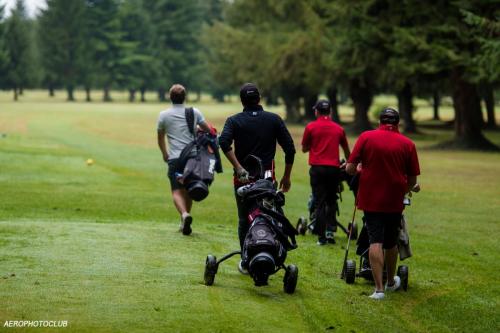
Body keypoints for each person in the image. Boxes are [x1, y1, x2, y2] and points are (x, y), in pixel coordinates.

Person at [218, 82, 296, 274]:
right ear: (259, 99)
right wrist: (286, 177)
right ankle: (270, 254)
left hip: (243, 181)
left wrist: (238, 167)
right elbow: (290, 149)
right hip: (267, 182)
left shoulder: (234, 121)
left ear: (242, 100)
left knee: (245, 220)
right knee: (269, 218)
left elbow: (223, 141)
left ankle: (246, 261)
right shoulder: (273, 119)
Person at [346, 107, 420, 300]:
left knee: (375, 240)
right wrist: (403, 190)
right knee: (390, 242)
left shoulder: (366, 137)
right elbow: (412, 181)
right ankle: (389, 282)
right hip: (395, 200)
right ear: (397, 123)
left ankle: (378, 290)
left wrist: (360, 167)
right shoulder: (408, 143)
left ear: (380, 121)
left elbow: (350, 169)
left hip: (371, 198)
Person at [157, 84, 213, 236]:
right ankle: (184, 220)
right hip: (193, 157)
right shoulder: (194, 112)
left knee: (176, 190)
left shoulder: (163, 115)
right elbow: (208, 130)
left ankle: (184, 215)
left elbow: (160, 137)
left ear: (170, 97)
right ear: (184, 97)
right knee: (190, 188)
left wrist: (164, 153)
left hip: (175, 158)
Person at [301, 99, 351, 245]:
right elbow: (347, 152)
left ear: (316, 111)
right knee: (332, 200)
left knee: (319, 203)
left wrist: (316, 146)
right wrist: (348, 164)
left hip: (317, 169)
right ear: (330, 112)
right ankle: (330, 231)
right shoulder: (338, 129)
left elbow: (304, 148)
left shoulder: (310, 127)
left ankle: (321, 237)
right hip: (334, 170)